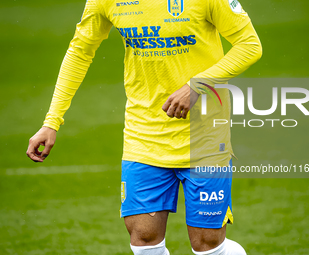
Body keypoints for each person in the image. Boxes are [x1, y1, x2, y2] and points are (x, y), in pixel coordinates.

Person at [27, 0, 262, 254]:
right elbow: (80, 51)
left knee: (207, 243)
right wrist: (51, 121)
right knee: (144, 239)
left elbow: (250, 45)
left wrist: (199, 84)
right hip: (144, 136)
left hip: (204, 137)